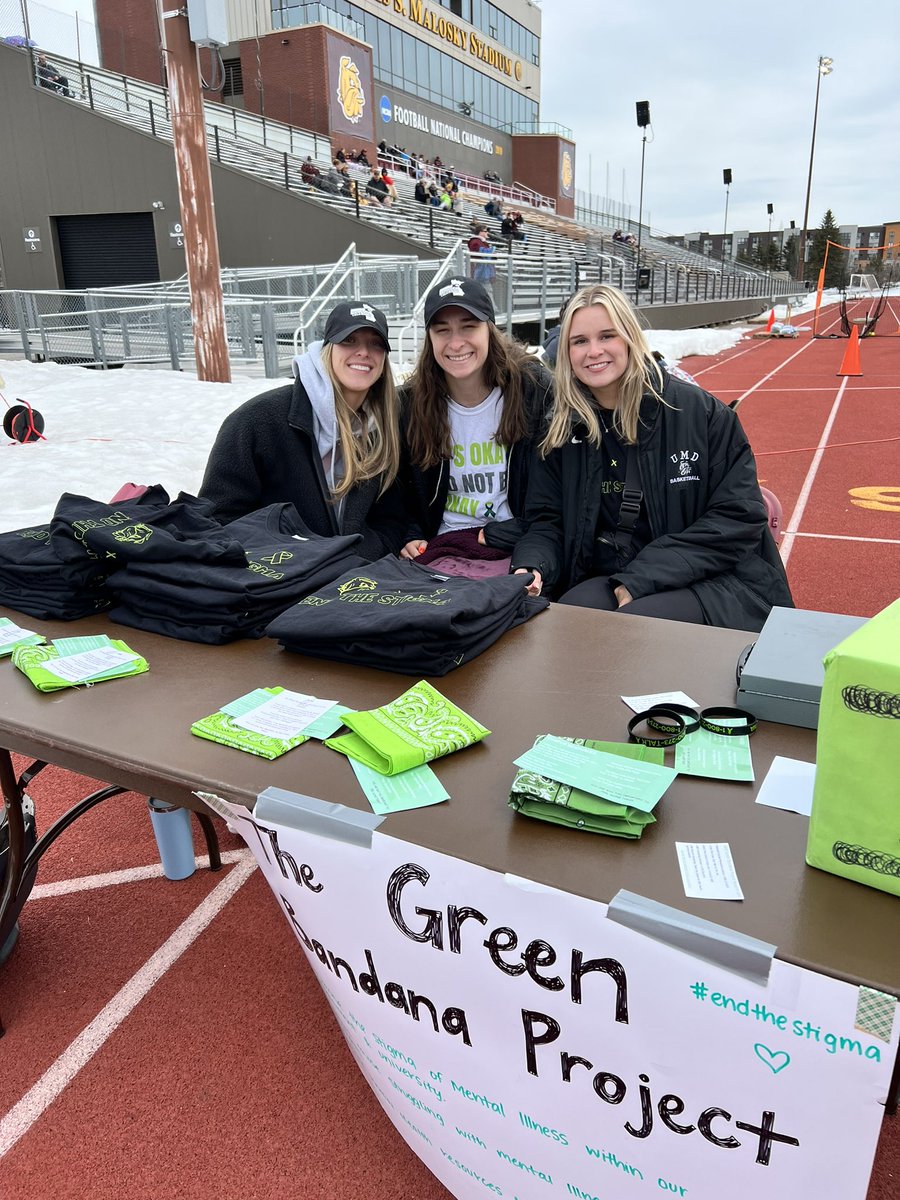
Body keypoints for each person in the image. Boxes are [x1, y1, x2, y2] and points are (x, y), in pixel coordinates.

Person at [511, 284, 793, 629]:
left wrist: (643, 577)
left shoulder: (699, 414)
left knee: (634, 629)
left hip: (717, 579)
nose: (594, 351)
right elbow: (547, 520)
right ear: (566, 353)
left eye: (607, 336)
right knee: (568, 620)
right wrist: (532, 565)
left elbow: (738, 517)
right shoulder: (561, 429)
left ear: (629, 338)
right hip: (615, 575)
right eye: (579, 341)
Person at [199, 301, 404, 558]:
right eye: (349, 340)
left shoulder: (386, 428)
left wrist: (357, 555)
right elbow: (216, 518)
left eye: (376, 343)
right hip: (275, 581)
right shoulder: (257, 420)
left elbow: (391, 520)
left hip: (348, 581)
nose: (363, 351)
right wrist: (297, 556)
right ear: (327, 348)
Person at [398, 278, 553, 575]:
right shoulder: (411, 404)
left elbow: (550, 502)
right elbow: (401, 493)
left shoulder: (533, 390)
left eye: (469, 326)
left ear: (490, 330)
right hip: (441, 549)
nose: (456, 343)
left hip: (514, 546)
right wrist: (409, 534)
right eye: (442, 330)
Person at [467, 227, 496, 292]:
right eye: (485, 231)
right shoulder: (475, 242)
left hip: (484, 272)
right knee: (487, 294)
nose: (487, 233)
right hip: (480, 273)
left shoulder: (480, 242)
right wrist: (492, 251)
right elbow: (480, 254)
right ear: (480, 232)